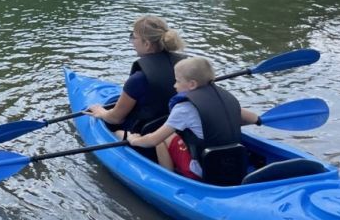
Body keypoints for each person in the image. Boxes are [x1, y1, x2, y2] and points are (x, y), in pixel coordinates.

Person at [121, 56, 262, 186]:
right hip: (235, 165)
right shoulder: (226, 98)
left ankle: (169, 179)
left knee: (164, 138)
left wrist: (134, 140)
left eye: (177, 81)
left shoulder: (185, 108)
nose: (174, 85)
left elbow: (153, 140)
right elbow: (254, 119)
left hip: (202, 171)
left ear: (192, 84)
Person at [86, 15, 188, 135]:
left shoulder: (138, 79)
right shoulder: (186, 66)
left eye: (133, 37)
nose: (132, 42)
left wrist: (101, 112)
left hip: (144, 135)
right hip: (179, 131)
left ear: (147, 44)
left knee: (114, 130)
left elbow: (116, 118)